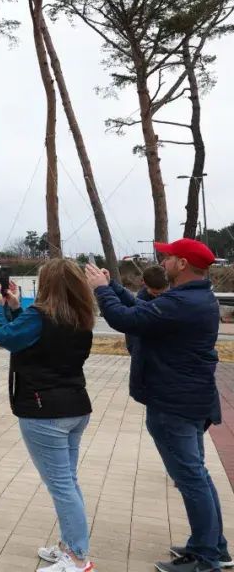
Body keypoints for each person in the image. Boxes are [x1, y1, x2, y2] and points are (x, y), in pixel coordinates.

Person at [86, 240, 228, 572]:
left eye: (167, 257)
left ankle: (206, 559)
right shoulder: (193, 297)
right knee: (198, 477)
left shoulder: (181, 303)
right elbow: (141, 310)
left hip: (173, 404)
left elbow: (125, 320)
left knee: (191, 479)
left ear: (182, 263)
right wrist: (114, 287)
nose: (162, 261)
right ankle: (213, 547)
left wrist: (102, 291)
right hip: (189, 399)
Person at [0, 259, 95, 572]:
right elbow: (34, 338)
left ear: (46, 285)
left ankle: (77, 559)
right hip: (75, 406)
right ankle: (69, 546)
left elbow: (5, 337)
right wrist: (17, 306)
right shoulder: (80, 316)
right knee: (68, 482)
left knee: (62, 487)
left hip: (43, 412)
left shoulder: (41, 317)